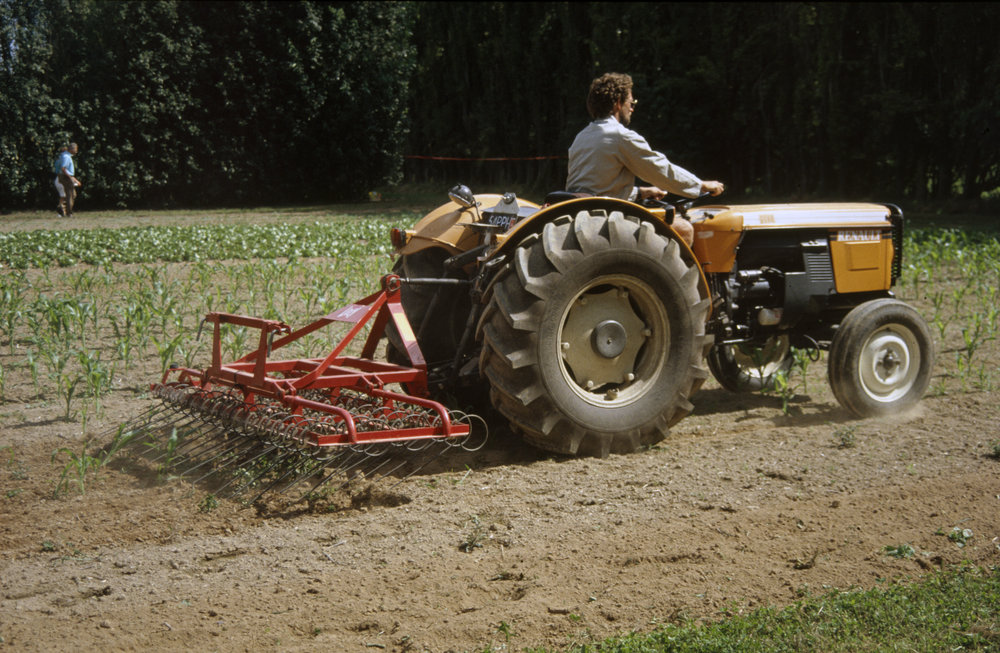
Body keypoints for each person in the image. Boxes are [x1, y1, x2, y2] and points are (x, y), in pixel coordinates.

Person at [566, 73, 724, 245]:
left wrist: (641, 192)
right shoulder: (619, 136)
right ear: (618, 103)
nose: (632, 108)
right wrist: (700, 185)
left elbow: (596, 188)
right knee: (683, 229)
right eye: (631, 103)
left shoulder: (581, 137)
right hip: (605, 219)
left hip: (585, 215)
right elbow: (660, 170)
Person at [53, 142, 81, 217]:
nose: (76, 151)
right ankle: (69, 212)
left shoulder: (63, 155)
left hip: (62, 176)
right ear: (72, 149)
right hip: (65, 176)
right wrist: (70, 178)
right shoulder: (66, 157)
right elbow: (63, 168)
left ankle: (62, 208)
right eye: (76, 149)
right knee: (70, 194)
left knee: (72, 194)